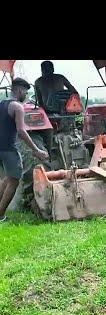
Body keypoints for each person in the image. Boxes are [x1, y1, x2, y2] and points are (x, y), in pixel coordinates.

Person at [0, 78, 49, 222]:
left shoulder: (1, 103)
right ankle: (1, 215)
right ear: (20, 90)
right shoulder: (17, 107)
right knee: (14, 180)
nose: (26, 96)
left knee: (8, 178)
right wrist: (36, 150)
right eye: (26, 92)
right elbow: (21, 131)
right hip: (9, 148)